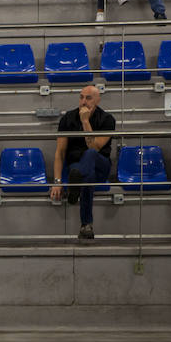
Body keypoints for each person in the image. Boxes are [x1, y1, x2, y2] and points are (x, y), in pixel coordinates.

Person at [50, 85, 115, 241]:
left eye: (88, 98)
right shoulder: (68, 118)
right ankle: (86, 226)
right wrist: (57, 182)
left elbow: (94, 147)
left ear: (97, 100)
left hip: (100, 166)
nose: (83, 102)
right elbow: (60, 152)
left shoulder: (107, 119)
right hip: (76, 166)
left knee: (90, 153)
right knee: (87, 177)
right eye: (81, 97)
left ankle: (75, 184)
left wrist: (85, 121)